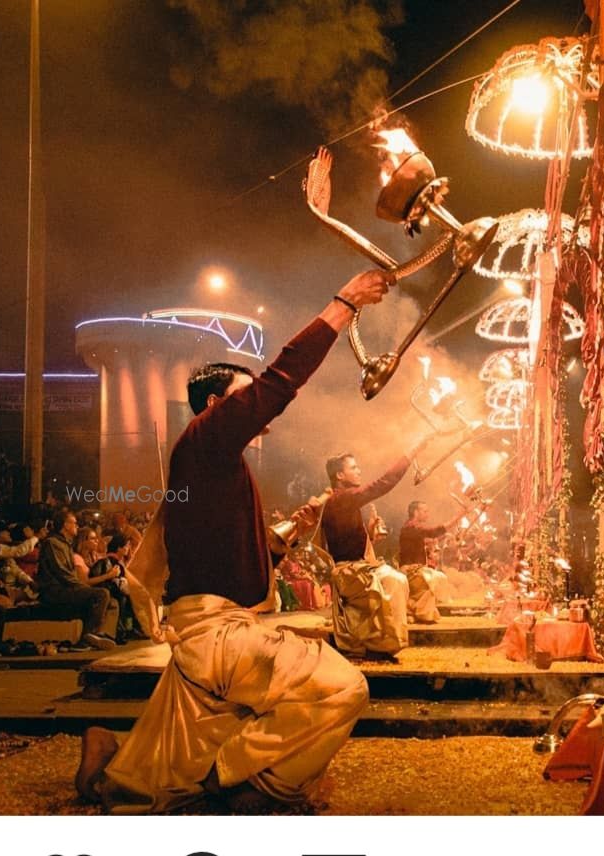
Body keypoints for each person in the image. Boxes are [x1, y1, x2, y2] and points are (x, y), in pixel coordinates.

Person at [75, 270, 389, 814]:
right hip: (217, 634)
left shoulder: (217, 463)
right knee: (345, 689)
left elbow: (232, 561)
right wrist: (342, 305)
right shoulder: (207, 438)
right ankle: (235, 788)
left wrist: (283, 538)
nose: (257, 410)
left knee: (166, 761)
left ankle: (112, 754)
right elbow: (281, 381)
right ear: (216, 404)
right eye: (245, 398)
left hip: (221, 625)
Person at [321, 442, 431, 658]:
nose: (359, 470)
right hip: (348, 573)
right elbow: (382, 484)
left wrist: (370, 534)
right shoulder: (340, 498)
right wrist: (410, 453)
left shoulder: (343, 500)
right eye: (353, 467)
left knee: (396, 579)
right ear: (339, 476)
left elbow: (347, 543)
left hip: (357, 567)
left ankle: (380, 639)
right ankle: (381, 642)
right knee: (395, 580)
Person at [38, 510, 116, 651]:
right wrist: (83, 587)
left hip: (66, 588)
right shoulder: (52, 543)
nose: (77, 526)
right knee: (101, 594)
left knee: (111, 600)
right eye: (74, 523)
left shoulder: (65, 544)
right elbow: (62, 573)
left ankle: (98, 635)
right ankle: (87, 639)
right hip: (55, 591)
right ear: (65, 525)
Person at [398, 500, 468, 623]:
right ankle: (417, 611)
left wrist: (447, 536)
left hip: (417, 569)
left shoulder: (413, 528)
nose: (427, 514)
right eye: (425, 511)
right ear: (416, 512)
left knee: (438, 578)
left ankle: (415, 611)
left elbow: (431, 537)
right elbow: (432, 532)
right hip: (409, 570)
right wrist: (458, 516)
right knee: (438, 578)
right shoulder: (411, 527)